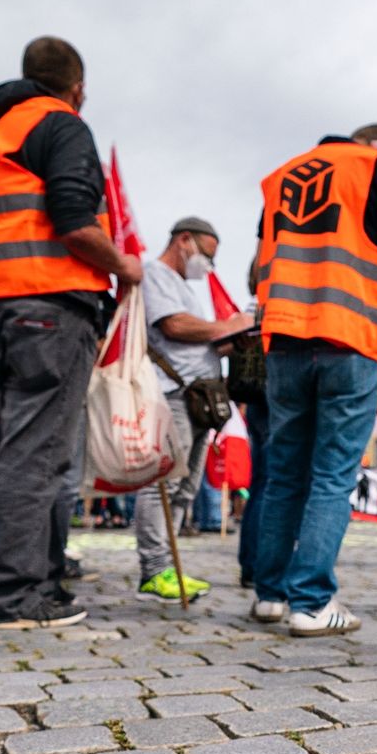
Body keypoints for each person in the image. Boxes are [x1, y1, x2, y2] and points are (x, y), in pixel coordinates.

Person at [0, 36, 140, 629]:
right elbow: (73, 220)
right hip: (50, 305)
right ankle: (12, 597)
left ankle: (44, 583)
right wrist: (124, 266)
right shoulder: (61, 124)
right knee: (37, 454)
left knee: (26, 448)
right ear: (77, 88)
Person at [249, 123, 377, 635]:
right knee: (333, 475)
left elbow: (255, 272)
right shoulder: (376, 167)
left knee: (284, 472)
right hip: (351, 335)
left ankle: (269, 595)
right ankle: (310, 602)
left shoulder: (279, 178)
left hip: (286, 340)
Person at [136, 218, 251, 600]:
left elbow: (196, 337)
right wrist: (226, 326)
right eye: (207, 255)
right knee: (164, 485)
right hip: (174, 394)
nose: (208, 266)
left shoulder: (183, 286)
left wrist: (232, 338)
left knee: (185, 487)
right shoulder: (156, 274)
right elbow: (174, 326)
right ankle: (154, 571)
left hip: (198, 396)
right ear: (184, 240)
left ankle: (168, 566)